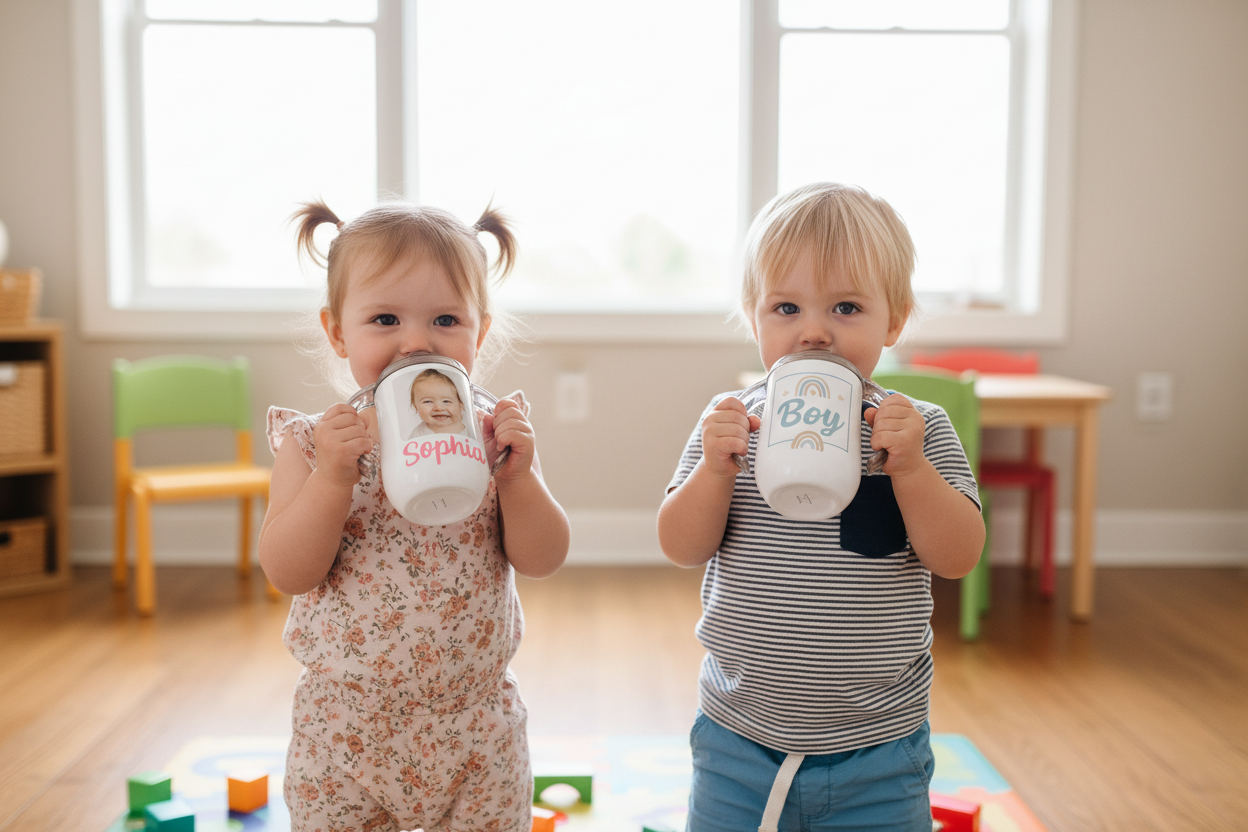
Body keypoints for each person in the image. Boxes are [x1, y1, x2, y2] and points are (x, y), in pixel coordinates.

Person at [657, 182, 985, 832]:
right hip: (738, 738)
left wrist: (912, 470)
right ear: (753, 317)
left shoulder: (917, 428)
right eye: (786, 307)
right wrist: (714, 474)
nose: (814, 331)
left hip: (880, 746)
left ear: (894, 320)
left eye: (846, 307)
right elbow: (680, 546)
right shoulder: (731, 422)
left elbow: (958, 557)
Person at [259, 198, 570, 832]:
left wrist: (518, 478)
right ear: (338, 332)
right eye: (385, 319)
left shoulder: (494, 435)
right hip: (345, 731)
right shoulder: (313, 445)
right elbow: (288, 572)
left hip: (477, 726)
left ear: (479, 334)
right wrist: (332, 480)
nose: (417, 342)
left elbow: (544, 559)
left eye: (446, 319)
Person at [409, 368, 468, 436]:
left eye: (446, 401)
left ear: (461, 404)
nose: (439, 408)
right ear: (415, 406)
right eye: (428, 401)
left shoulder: (469, 429)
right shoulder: (418, 433)